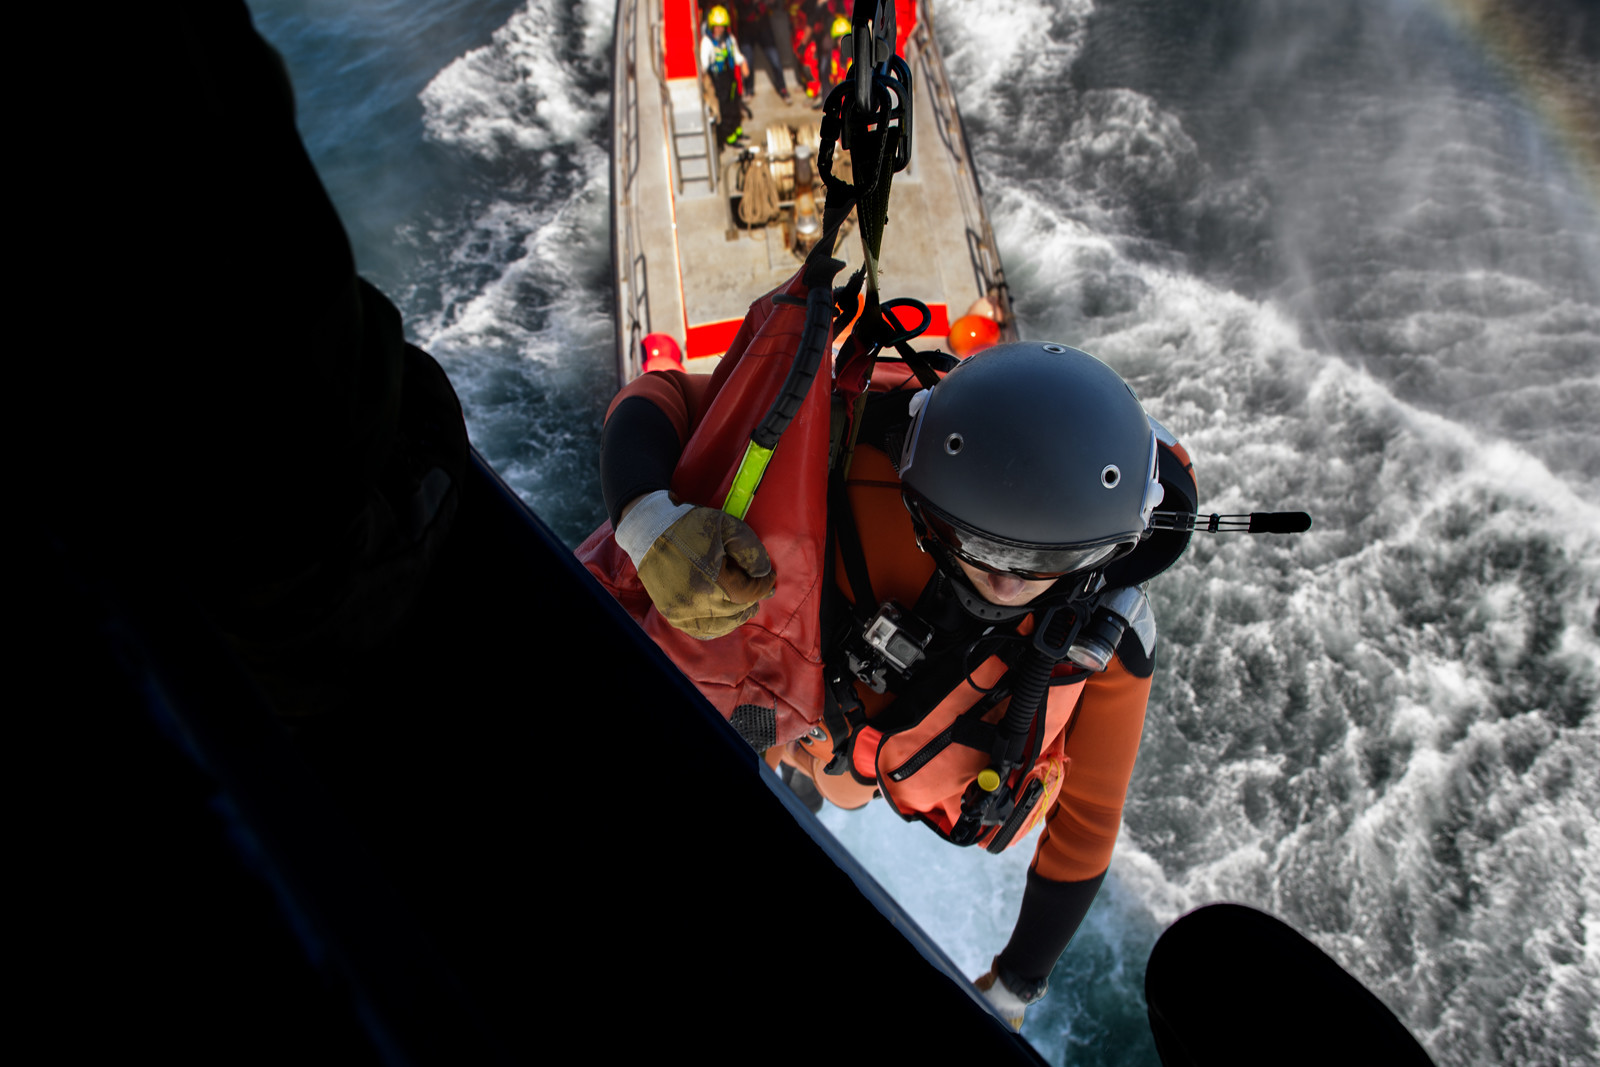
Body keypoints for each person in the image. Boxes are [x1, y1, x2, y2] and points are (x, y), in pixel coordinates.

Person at [587, 329, 1198, 1031]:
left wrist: (1016, 983)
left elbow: (1088, 819)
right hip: (795, 722)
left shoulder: (1103, 641)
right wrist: (646, 519)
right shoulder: (848, 449)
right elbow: (660, 397)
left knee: (839, 784)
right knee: (788, 765)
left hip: (870, 757)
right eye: (981, 541)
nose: (1004, 577)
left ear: (1111, 547)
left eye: (1042, 556)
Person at [701, 5, 752, 147]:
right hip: (718, 80)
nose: (719, 29)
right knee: (725, 108)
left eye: (722, 26)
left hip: (730, 77)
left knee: (735, 104)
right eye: (717, 26)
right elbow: (704, 65)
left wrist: (743, 64)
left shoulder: (729, 39)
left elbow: (736, 54)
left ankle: (737, 131)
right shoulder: (707, 43)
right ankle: (729, 137)